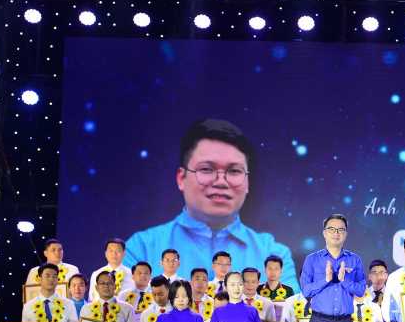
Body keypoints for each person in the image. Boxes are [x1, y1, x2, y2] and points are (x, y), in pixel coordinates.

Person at [123, 119, 299, 291]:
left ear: (247, 183)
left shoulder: (272, 254)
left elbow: (289, 310)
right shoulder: (141, 249)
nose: (221, 182)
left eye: (234, 171)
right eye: (207, 169)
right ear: (181, 178)